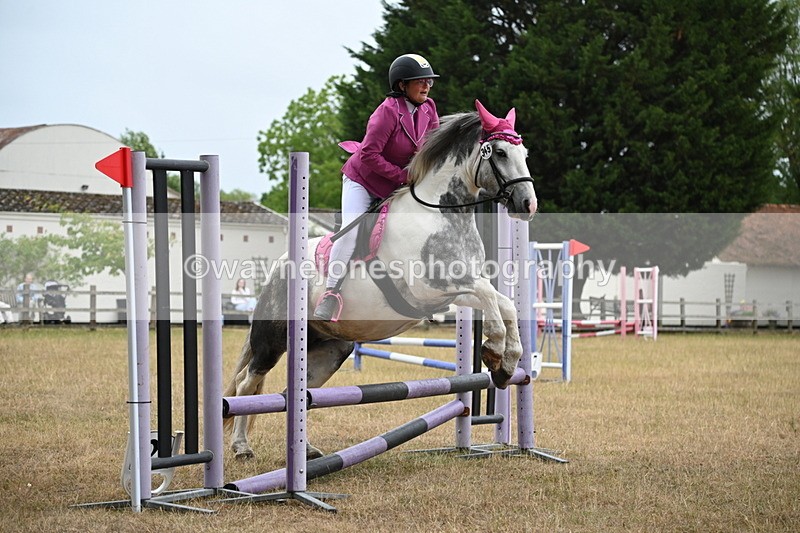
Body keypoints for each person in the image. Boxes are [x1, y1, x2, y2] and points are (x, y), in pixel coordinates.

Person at [313, 53, 441, 321]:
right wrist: (403, 177)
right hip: (364, 180)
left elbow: (433, 148)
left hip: (397, 182)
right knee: (351, 230)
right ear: (402, 85)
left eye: (428, 81)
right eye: (420, 81)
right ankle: (330, 292)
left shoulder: (429, 109)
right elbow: (369, 155)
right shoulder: (385, 113)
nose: (426, 86)